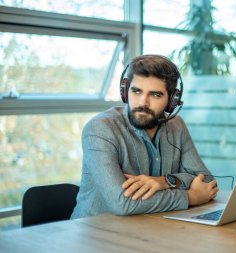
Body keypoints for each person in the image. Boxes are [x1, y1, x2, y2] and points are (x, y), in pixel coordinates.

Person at [71, 54, 218, 219]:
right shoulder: (100, 129)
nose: (143, 102)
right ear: (126, 91)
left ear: (172, 100)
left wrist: (164, 181)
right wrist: (191, 197)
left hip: (149, 228)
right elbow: (123, 203)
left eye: (155, 95)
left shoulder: (177, 126)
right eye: (136, 91)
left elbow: (206, 181)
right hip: (95, 234)